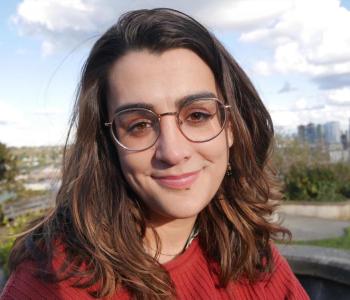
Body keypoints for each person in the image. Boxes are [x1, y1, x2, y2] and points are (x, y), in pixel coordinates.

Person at [0, 8, 309, 300]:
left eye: (197, 116)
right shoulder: (51, 283)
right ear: (108, 142)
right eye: (139, 125)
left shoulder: (247, 250)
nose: (173, 152)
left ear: (231, 127)